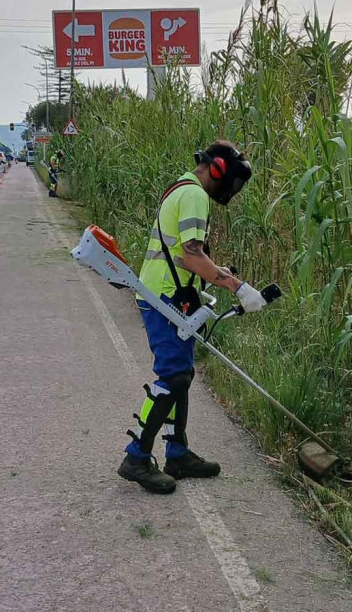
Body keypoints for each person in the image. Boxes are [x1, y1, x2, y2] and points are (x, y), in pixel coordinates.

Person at [117, 140, 267, 494]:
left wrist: (218, 271)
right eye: (231, 181)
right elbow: (190, 256)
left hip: (169, 293)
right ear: (217, 171)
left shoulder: (182, 188)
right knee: (171, 374)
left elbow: (189, 255)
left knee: (181, 375)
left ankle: (178, 453)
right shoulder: (195, 195)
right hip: (164, 295)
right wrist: (239, 287)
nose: (231, 190)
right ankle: (136, 457)